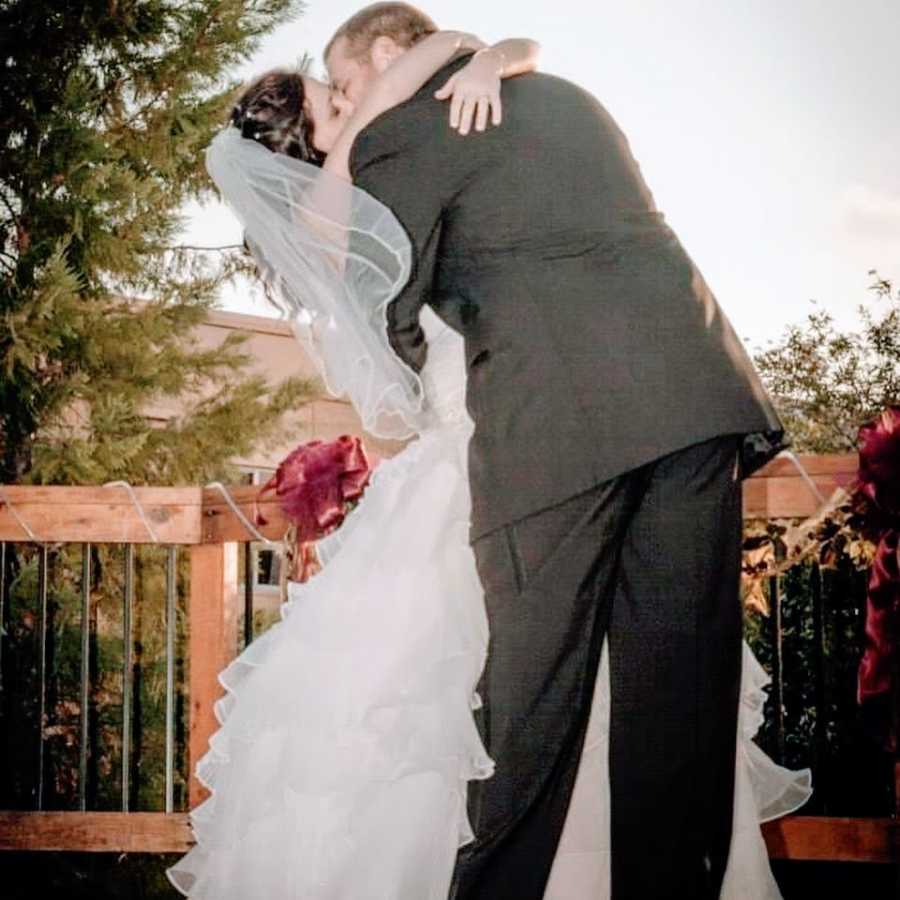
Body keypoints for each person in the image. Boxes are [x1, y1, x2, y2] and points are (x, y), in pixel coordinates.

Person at [165, 10, 811, 900]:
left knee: (530, 706)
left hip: (553, 435)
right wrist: (480, 54)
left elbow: (388, 315)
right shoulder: (565, 96)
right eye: (339, 101)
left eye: (348, 85)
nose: (356, 104)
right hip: (692, 393)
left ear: (391, 58)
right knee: (678, 697)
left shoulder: (400, 137)